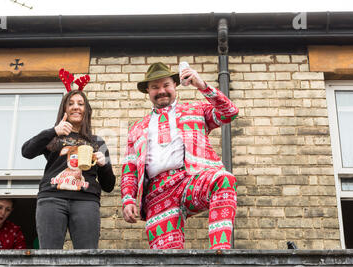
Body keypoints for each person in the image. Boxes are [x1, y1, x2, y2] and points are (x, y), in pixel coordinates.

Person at [121, 62, 239, 250]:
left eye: (166, 85)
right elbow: (130, 170)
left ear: (174, 85)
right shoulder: (137, 128)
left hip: (190, 180)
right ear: (148, 92)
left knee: (223, 180)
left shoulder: (196, 110)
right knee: (167, 260)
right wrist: (128, 199)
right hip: (157, 193)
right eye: (155, 87)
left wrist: (202, 86)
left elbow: (229, 113)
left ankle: (221, 252)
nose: (161, 91)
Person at [22, 82, 116, 249]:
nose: (76, 107)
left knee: (87, 258)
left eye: (80, 104)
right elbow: (27, 151)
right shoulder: (53, 136)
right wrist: (53, 131)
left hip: (86, 201)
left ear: (86, 110)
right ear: (64, 109)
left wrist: (104, 165)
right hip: (51, 198)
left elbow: (108, 186)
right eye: (71, 103)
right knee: (49, 256)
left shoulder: (97, 142)